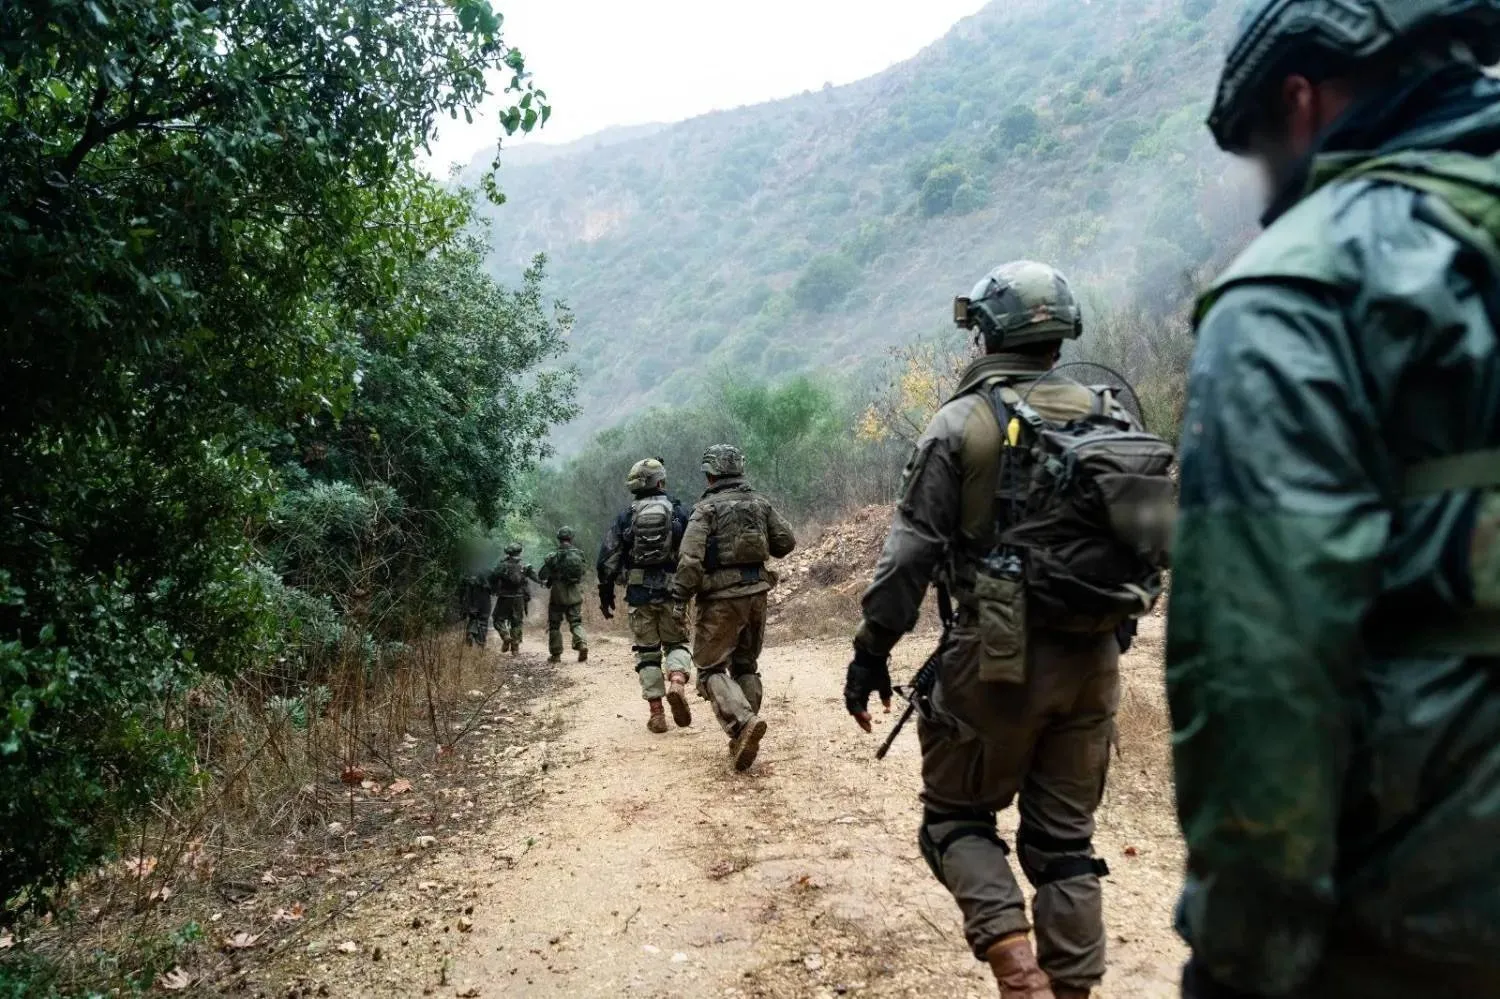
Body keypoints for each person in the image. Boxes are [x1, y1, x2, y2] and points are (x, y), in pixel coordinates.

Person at [1169, 4, 1500, 998]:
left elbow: (1262, 663)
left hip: (1433, 902)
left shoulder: (1300, 286)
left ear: (1300, 103)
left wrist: (1242, 956)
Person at [845, 261, 1170, 999]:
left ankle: (1022, 977)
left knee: (956, 819)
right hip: (1096, 646)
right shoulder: (1112, 414)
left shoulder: (962, 422)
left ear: (986, 332)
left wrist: (870, 654)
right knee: (1064, 848)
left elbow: (907, 559)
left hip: (997, 628)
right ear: (1063, 334)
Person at [669, 444, 795, 772]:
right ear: (739, 470)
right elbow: (786, 542)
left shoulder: (705, 509)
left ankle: (742, 724)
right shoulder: (760, 503)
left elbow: (690, 559)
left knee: (711, 669)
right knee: (746, 666)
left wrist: (680, 597)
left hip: (721, 601)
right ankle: (742, 736)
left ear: (710, 473)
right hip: (757, 595)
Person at [598, 458, 694, 734]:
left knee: (647, 654)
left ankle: (657, 714)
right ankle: (677, 680)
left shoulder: (625, 516)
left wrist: (606, 594)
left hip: (639, 594)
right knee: (676, 643)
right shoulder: (678, 512)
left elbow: (606, 560)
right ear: (661, 482)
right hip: (673, 592)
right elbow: (696, 551)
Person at [537, 527, 589, 664]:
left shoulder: (553, 556)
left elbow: (542, 574)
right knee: (576, 622)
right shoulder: (579, 554)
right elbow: (583, 572)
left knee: (554, 625)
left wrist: (552, 577)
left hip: (557, 595)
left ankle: (556, 655)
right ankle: (582, 643)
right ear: (571, 538)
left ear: (558, 539)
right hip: (574, 593)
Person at [491, 542, 537, 655]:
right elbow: (534, 578)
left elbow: (493, 577)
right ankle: (515, 649)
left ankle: (505, 636)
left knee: (497, 619)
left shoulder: (503, 565)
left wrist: (494, 589)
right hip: (519, 598)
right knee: (516, 622)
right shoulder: (524, 566)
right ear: (519, 552)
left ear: (508, 552)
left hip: (505, 597)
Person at [460, 568, 495, 647]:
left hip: (472, 600)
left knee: (473, 619)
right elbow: (493, 590)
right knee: (483, 621)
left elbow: (462, 589)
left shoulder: (468, 571)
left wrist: (463, 605)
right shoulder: (488, 571)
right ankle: (481, 641)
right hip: (484, 600)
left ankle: (470, 633)